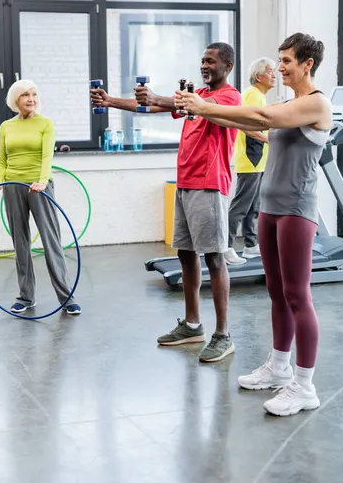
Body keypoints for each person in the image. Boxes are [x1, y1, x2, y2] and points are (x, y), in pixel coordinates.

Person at [176, 32, 332, 415]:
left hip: (296, 209)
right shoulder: (289, 102)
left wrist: (205, 105)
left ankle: (305, 385)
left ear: (307, 64)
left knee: (298, 295)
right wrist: (205, 110)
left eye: (287, 61)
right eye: (279, 60)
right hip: (270, 207)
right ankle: (278, 367)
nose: (279, 68)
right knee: (276, 293)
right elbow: (258, 125)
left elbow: (262, 116)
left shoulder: (315, 103)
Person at [91, 42, 242, 362]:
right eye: (202, 60)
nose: (205, 65)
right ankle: (192, 325)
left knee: (214, 258)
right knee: (186, 253)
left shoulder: (228, 97)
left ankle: (223, 334)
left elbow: (193, 105)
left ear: (226, 66)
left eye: (211, 61)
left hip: (210, 184)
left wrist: (159, 96)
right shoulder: (195, 95)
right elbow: (154, 107)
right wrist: (111, 101)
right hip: (186, 182)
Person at [0, 80, 81, 316]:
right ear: (15, 100)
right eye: (25, 95)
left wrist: (41, 181)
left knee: (51, 241)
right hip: (12, 186)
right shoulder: (6, 126)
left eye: (34, 94)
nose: (31, 99)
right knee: (20, 243)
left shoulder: (45, 124)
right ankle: (26, 296)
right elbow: (1, 159)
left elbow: (47, 156)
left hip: (39, 186)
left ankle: (66, 297)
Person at [224, 57, 276, 265]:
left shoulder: (258, 96)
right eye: (270, 71)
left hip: (258, 159)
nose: (275, 75)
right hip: (250, 158)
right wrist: (268, 138)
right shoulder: (252, 95)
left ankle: (250, 245)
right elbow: (242, 124)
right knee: (241, 205)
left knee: (254, 205)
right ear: (258, 76)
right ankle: (225, 247)